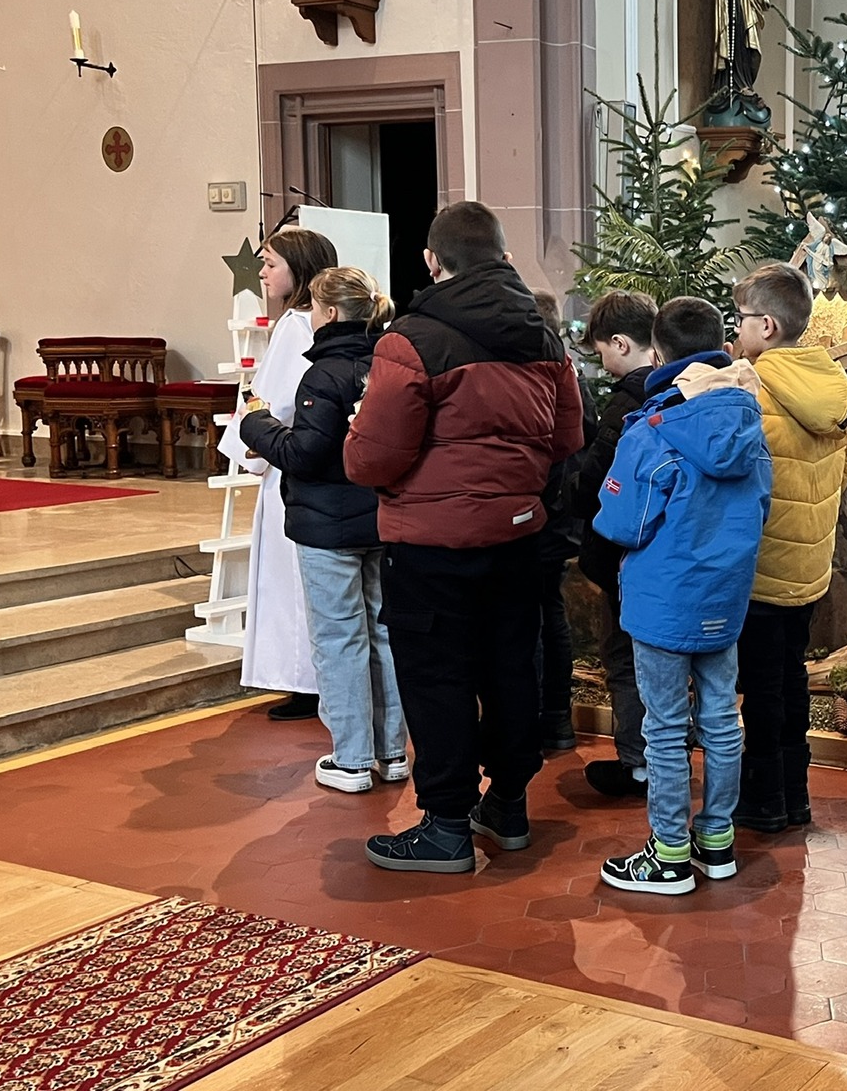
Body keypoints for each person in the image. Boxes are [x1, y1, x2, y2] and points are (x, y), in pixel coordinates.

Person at [344, 202, 586, 873]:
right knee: (512, 669)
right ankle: (508, 806)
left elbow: (371, 459)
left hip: (431, 544)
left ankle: (446, 825)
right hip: (517, 539)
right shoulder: (544, 339)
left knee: (436, 678)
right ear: (503, 259)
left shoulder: (412, 339)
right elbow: (568, 437)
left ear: (432, 261)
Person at [592, 297, 773, 893]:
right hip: (725, 597)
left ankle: (669, 853)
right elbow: (762, 510)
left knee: (666, 728)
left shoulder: (653, 428)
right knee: (721, 718)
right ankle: (716, 839)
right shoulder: (750, 424)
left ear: (659, 353)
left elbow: (623, 523)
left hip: (663, 600)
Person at [237, 266, 408, 794]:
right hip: (380, 517)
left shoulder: (324, 374)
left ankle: (352, 759)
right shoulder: (388, 365)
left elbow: (305, 454)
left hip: (329, 526)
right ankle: (392, 752)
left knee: (339, 637)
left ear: (329, 313)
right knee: (383, 633)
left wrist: (258, 423)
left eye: (313, 307)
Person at [729, 262, 847, 834]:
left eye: (740, 318)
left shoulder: (750, 386)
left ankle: (764, 799)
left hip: (760, 567)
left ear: (767, 326)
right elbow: (845, 470)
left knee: (760, 685)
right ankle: (795, 793)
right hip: (809, 566)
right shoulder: (834, 385)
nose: (736, 329)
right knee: (791, 675)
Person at [222, 226, 337, 721]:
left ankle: (302, 681)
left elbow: (273, 402)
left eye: (271, 263)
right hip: (320, 463)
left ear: (299, 268)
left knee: (290, 581)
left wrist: (250, 448)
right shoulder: (327, 320)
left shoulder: (294, 325)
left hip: (288, 461)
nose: (263, 272)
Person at [576, 291, 661, 797]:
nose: (600, 359)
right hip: (669, 557)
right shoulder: (683, 389)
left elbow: (596, 479)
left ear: (621, 343)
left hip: (625, 556)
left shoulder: (628, 401)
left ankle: (637, 763)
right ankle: (663, 757)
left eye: (602, 349)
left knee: (625, 658)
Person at [527, 288, 590, 756]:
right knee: (550, 613)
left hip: (540, 516)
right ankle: (557, 719)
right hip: (563, 516)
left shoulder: (539, 376)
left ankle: (537, 719)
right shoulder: (571, 373)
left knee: (532, 620)